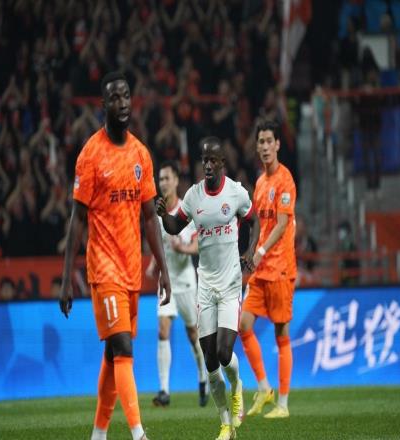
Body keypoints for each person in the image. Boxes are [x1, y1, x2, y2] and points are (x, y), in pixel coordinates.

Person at [59, 71, 171, 440]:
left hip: (131, 268)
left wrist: (163, 269)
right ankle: (139, 434)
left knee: (113, 353)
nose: (122, 103)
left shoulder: (140, 153)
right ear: (103, 105)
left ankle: (98, 434)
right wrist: (66, 278)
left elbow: (150, 217)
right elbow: (77, 219)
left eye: (126, 96)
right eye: (114, 98)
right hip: (103, 267)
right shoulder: (91, 154)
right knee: (123, 346)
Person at [156, 136, 260, 440]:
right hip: (205, 287)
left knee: (225, 352)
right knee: (210, 359)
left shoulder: (236, 193)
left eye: (213, 160)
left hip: (229, 284)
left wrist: (250, 251)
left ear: (222, 162)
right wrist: (163, 215)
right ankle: (225, 423)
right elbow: (175, 226)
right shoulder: (193, 196)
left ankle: (237, 387)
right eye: (205, 161)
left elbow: (253, 221)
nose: (208, 165)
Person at [239, 120, 297, 419]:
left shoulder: (285, 180)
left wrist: (260, 252)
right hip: (261, 270)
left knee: (281, 332)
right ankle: (264, 388)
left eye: (268, 141)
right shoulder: (260, 182)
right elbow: (259, 225)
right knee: (243, 325)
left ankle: (283, 405)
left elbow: (283, 224)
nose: (264, 147)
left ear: (277, 145)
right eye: (260, 142)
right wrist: (252, 252)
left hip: (280, 268)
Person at [145, 160, 208, 408]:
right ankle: (164, 390)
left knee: (193, 334)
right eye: (160, 179)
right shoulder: (157, 213)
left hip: (186, 281)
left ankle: (203, 376)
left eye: (166, 178)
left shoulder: (186, 211)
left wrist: (183, 248)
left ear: (176, 181)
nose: (163, 183)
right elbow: (159, 244)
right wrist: (154, 264)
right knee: (163, 330)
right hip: (166, 280)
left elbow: (197, 245)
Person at [337, 220, 360, 285]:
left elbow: (351, 260)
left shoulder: (350, 244)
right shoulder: (343, 244)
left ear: (346, 231)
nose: (339, 233)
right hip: (345, 275)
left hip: (351, 276)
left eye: (341, 230)